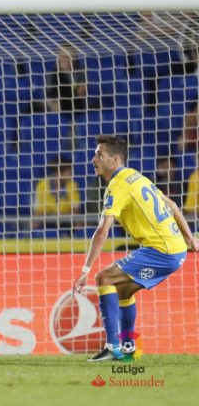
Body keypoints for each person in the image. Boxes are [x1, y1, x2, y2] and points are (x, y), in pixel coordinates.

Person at [73, 135, 199, 361]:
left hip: (161, 249)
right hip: (175, 249)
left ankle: (112, 347)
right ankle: (128, 347)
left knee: (103, 278)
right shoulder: (135, 175)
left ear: (115, 159)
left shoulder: (117, 185)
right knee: (123, 291)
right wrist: (190, 240)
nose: (93, 159)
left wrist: (85, 270)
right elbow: (171, 205)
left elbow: (102, 231)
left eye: (99, 155)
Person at [32, 158, 82, 231]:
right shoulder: (42, 185)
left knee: (78, 222)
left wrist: (62, 216)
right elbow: (38, 210)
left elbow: (75, 209)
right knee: (34, 221)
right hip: (46, 221)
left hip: (66, 222)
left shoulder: (72, 185)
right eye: (69, 171)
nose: (72, 174)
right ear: (59, 172)